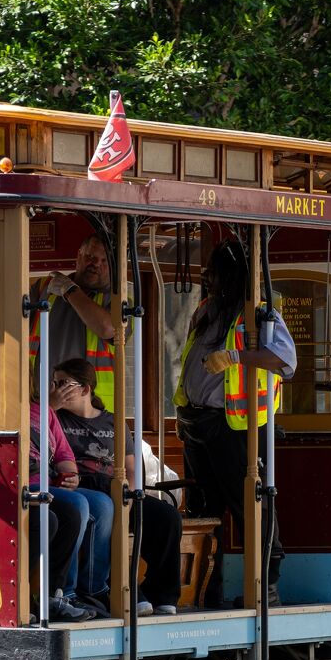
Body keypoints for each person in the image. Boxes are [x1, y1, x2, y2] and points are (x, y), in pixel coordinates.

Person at [175, 242, 295, 606]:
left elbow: (285, 361)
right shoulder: (207, 311)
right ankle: (205, 589)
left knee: (251, 506)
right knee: (203, 511)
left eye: (213, 272)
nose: (206, 278)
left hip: (239, 428)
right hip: (198, 424)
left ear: (232, 277)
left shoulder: (259, 315)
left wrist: (236, 357)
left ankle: (265, 588)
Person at [53, 358, 181, 617]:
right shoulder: (55, 418)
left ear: (85, 389)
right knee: (104, 513)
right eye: (54, 384)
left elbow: (132, 467)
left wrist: (130, 497)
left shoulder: (113, 422)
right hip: (83, 486)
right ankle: (117, 588)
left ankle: (162, 592)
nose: (57, 389)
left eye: (63, 383)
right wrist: (52, 405)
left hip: (119, 488)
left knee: (167, 517)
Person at [0, 366, 94, 622]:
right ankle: (19, 594)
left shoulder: (41, 411)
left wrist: (71, 475)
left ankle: (56, 595)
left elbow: (64, 455)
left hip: (44, 484)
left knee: (72, 511)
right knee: (61, 513)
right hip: (13, 484)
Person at [34, 232, 124, 412]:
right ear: (79, 255)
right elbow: (7, 327)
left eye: (104, 260)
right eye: (91, 257)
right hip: (43, 403)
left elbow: (108, 328)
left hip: (91, 411)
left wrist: (69, 290)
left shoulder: (118, 299)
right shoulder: (44, 288)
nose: (96, 264)